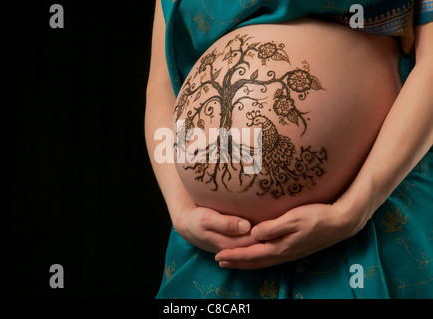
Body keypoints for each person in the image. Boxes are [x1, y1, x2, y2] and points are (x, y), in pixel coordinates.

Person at [145, 0, 433, 298]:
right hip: (215, 250)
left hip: (374, 211)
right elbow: (161, 87)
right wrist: (180, 211)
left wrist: (351, 212)